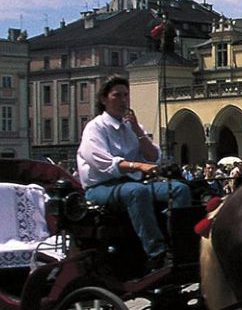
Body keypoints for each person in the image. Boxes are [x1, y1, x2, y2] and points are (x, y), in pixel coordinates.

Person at [76, 76, 190, 271]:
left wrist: (138, 130)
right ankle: (156, 253)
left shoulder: (131, 127)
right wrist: (138, 166)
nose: (123, 100)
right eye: (117, 95)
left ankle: (179, 244)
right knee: (137, 192)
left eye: (126, 95)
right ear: (104, 100)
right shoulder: (95, 127)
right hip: (100, 187)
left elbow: (153, 156)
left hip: (130, 184)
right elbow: (102, 162)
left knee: (179, 189)